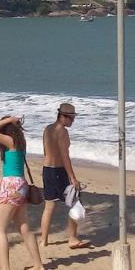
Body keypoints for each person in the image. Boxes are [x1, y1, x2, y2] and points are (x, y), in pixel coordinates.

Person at [0, 115, 46, 270]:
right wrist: (12, 122)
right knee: (24, 227)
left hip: (11, 185)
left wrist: (8, 120)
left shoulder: (10, 141)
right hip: (21, 184)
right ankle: (38, 265)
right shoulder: (20, 142)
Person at [40, 102, 89, 251]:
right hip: (58, 171)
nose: (72, 121)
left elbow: (45, 151)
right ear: (62, 116)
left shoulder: (48, 129)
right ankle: (73, 238)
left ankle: (44, 240)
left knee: (49, 206)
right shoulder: (62, 132)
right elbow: (64, 156)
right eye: (71, 118)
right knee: (75, 201)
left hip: (47, 169)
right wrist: (73, 178)